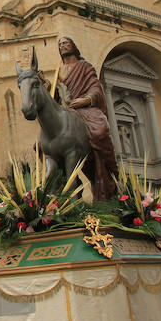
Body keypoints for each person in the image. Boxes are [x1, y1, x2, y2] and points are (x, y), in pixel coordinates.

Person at [45, 36, 118, 199]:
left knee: (99, 130)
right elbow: (56, 95)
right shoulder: (59, 70)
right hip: (65, 111)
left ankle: (107, 164)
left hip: (84, 108)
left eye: (66, 43)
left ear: (73, 46)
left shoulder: (85, 66)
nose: (62, 45)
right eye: (60, 44)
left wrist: (86, 99)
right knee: (42, 142)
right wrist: (47, 86)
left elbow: (95, 87)